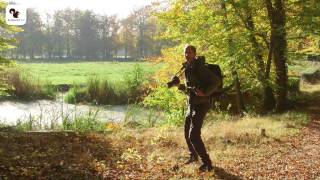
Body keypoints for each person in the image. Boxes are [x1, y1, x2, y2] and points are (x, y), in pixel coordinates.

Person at [177, 45, 221, 172]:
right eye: (185, 52)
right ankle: (193, 155)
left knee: (194, 135)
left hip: (201, 104)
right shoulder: (187, 68)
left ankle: (207, 163)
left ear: (195, 54)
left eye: (189, 52)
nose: (187, 55)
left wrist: (206, 93)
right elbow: (190, 89)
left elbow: (216, 81)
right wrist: (178, 86)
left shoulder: (199, 67)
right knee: (187, 133)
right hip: (191, 104)